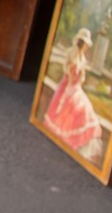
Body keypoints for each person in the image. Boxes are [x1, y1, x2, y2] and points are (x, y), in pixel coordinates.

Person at [42, 29, 104, 162]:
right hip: (67, 84)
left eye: (87, 45)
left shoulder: (83, 58)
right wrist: (71, 74)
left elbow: (82, 75)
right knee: (65, 108)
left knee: (84, 108)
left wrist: (80, 78)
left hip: (76, 86)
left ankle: (75, 142)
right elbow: (67, 67)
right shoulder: (72, 52)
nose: (86, 47)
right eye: (84, 43)